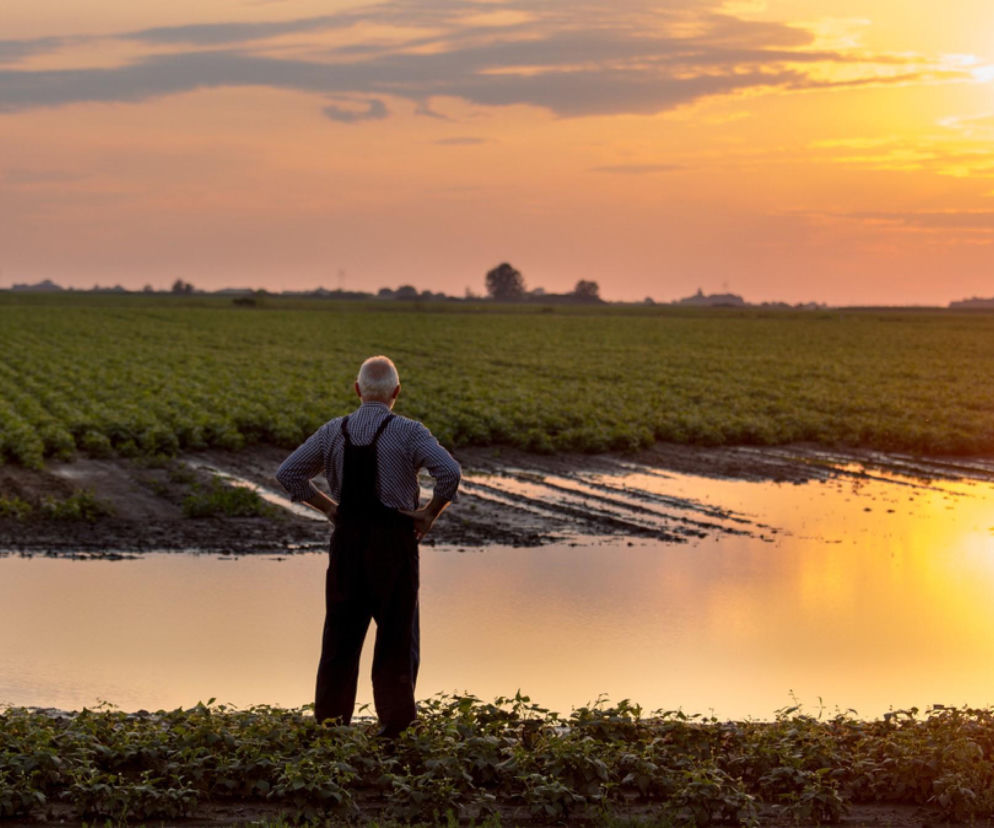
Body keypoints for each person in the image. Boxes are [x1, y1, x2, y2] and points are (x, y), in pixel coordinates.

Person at [275, 355, 460, 736]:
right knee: (396, 636)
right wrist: (429, 513)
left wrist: (328, 508)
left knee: (340, 639)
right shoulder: (409, 432)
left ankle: (330, 729)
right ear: (396, 392)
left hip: (348, 546)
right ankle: (395, 731)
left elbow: (288, 473)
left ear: (358, 390)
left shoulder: (333, 431)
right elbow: (450, 472)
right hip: (395, 546)